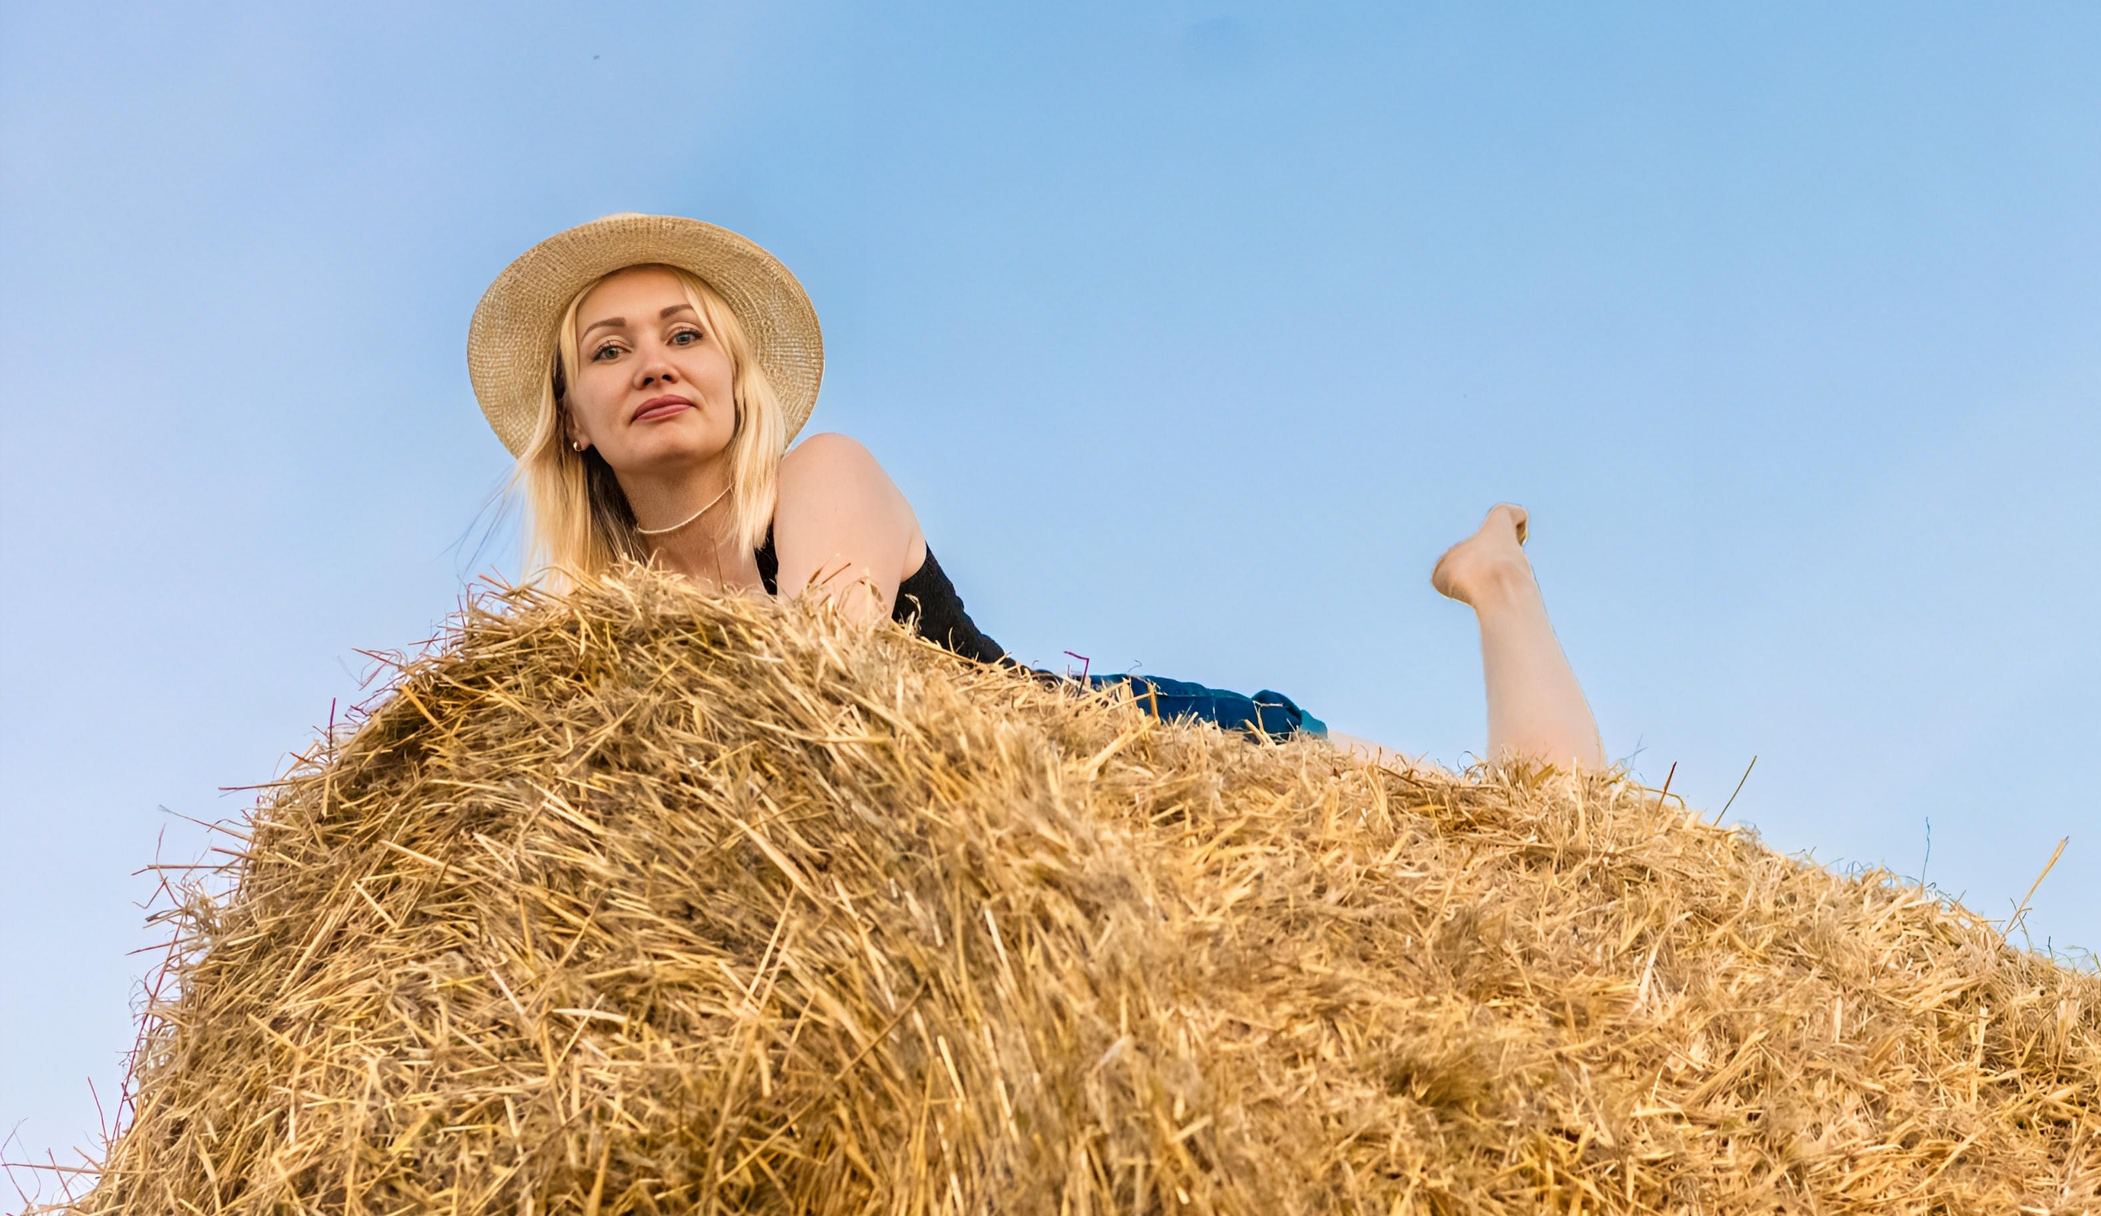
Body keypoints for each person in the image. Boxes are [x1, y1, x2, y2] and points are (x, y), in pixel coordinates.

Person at [468, 214, 1606, 772]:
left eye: (684, 336)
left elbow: (831, 695)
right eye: (610, 352)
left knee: (1539, 838)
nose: (656, 362)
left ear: (733, 377)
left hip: (1130, 759)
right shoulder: (593, 638)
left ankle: (1497, 581)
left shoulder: (824, 477)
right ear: (571, 418)